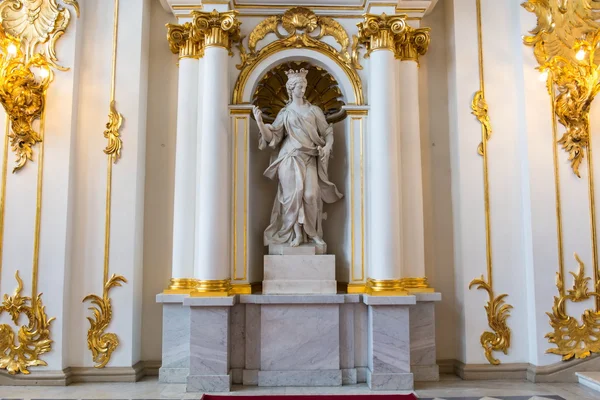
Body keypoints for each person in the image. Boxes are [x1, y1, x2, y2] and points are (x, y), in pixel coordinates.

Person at [253, 68, 343, 248]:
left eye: (304, 86)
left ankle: (313, 233)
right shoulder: (285, 113)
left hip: (309, 157)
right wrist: (260, 123)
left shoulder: (314, 111)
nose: (302, 90)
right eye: (299, 87)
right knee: (292, 197)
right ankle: (296, 234)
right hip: (289, 157)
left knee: (311, 195)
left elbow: (327, 132)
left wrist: (327, 146)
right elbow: (273, 138)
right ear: (291, 89)